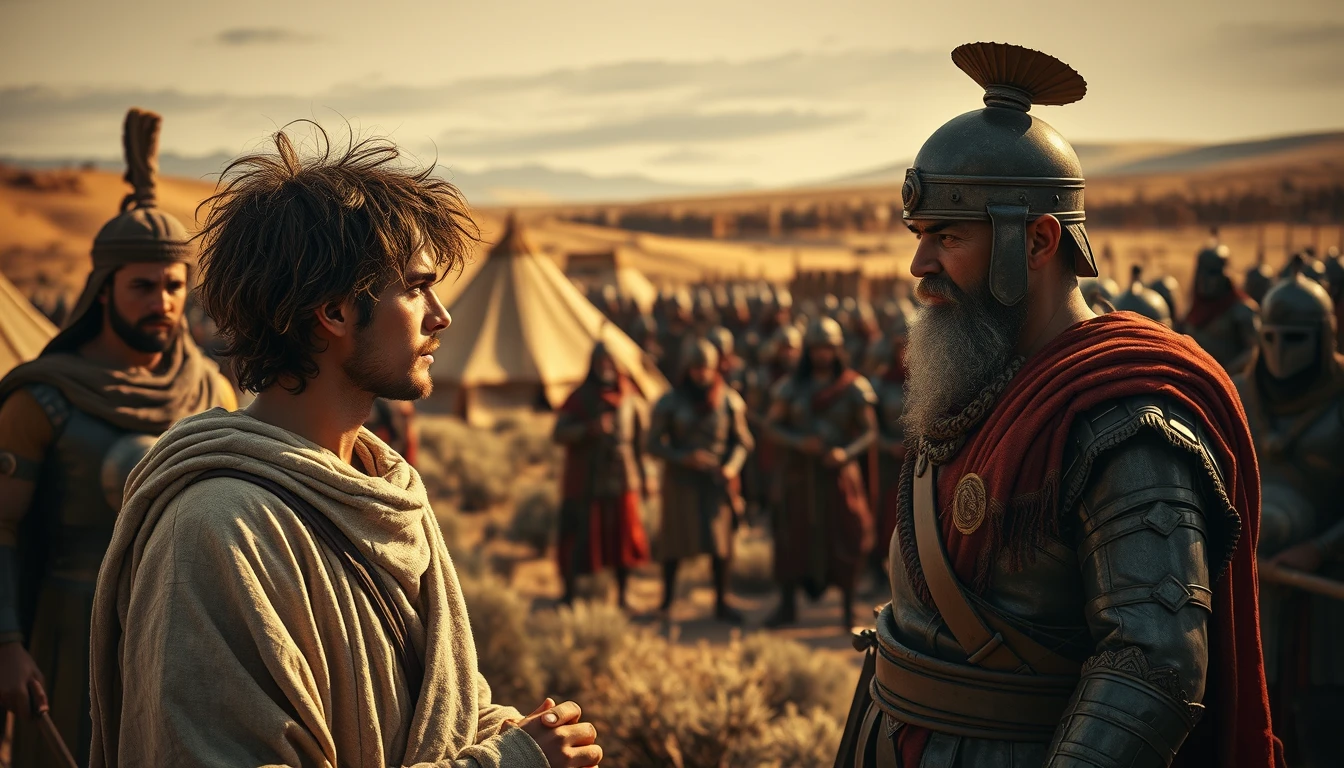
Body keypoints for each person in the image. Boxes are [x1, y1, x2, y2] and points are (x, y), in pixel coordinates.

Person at [85, 126, 600, 768]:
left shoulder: (384, 487)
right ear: (332, 312)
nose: (440, 316)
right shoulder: (219, 532)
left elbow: (431, 712)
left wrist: (510, 732)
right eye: (414, 289)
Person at [837, 43, 1278, 768]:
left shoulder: (1125, 420)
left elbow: (1153, 664)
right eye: (921, 238)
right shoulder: (981, 377)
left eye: (946, 236)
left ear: (1038, 239)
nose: (920, 267)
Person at [0, 109, 236, 767]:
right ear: (105, 290)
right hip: (69, 628)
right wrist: (6, 643)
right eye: (142, 286)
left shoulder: (209, 392)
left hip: (188, 631)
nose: (161, 301)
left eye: (172, 286)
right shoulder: (42, 399)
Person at [1232, 269, 1344, 767]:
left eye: (1295, 338)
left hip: (1325, 598)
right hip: (1247, 586)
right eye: (1270, 337)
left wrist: (1319, 549)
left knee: (1319, 728)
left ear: (1323, 337)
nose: (1280, 351)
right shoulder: (1236, 392)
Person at [764, 316, 877, 630]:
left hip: (839, 475)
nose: (822, 355)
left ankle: (847, 610)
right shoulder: (790, 387)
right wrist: (800, 442)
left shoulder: (854, 386)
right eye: (816, 349)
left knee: (846, 536)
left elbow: (869, 433)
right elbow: (771, 426)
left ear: (837, 349)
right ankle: (787, 607)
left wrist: (845, 452)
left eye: (827, 348)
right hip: (800, 476)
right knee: (792, 537)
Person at [645, 339, 753, 622]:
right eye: (695, 368)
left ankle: (721, 602)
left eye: (705, 368)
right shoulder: (670, 401)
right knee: (674, 543)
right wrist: (682, 457)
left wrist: (730, 467)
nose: (701, 374)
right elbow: (652, 443)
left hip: (716, 482)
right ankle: (667, 600)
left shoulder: (729, 400)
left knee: (721, 546)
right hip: (680, 483)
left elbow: (743, 442)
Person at [552, 342, 651, 611]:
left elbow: (640, 444)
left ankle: (623, 595)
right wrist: (589, 429)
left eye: (610, 362)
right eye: (601, 363)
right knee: (576, 538)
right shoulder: (579, 397)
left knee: (622, 539)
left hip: (622, 476)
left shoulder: (630, 397)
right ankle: (569, 595)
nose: (606, 368)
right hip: (585, 479)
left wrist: (645, 478)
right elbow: (559, 433)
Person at [1185, 236, 1259, 372]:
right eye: (1201, 273)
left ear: (1225, 276)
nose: (1205, 280)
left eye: (1212, 273)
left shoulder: (1241, 309)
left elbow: (1255, 350)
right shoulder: (1194, 309)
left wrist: (1224, 373)